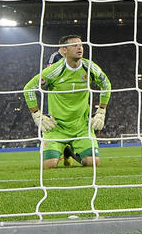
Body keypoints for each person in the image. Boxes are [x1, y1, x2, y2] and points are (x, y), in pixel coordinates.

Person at [22, 34, 112, 169]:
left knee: (92, 162)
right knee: (48, 166)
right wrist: (37, 114)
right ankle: (62, 149)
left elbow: (106, 85)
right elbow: (28, 89)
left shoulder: (90, 67)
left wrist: (101, 111)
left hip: (81, 127)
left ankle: (70, 150)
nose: (79, 47)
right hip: (56, 127)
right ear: (64, 50)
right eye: (74, 45)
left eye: (81, 45)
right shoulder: (54, 70)